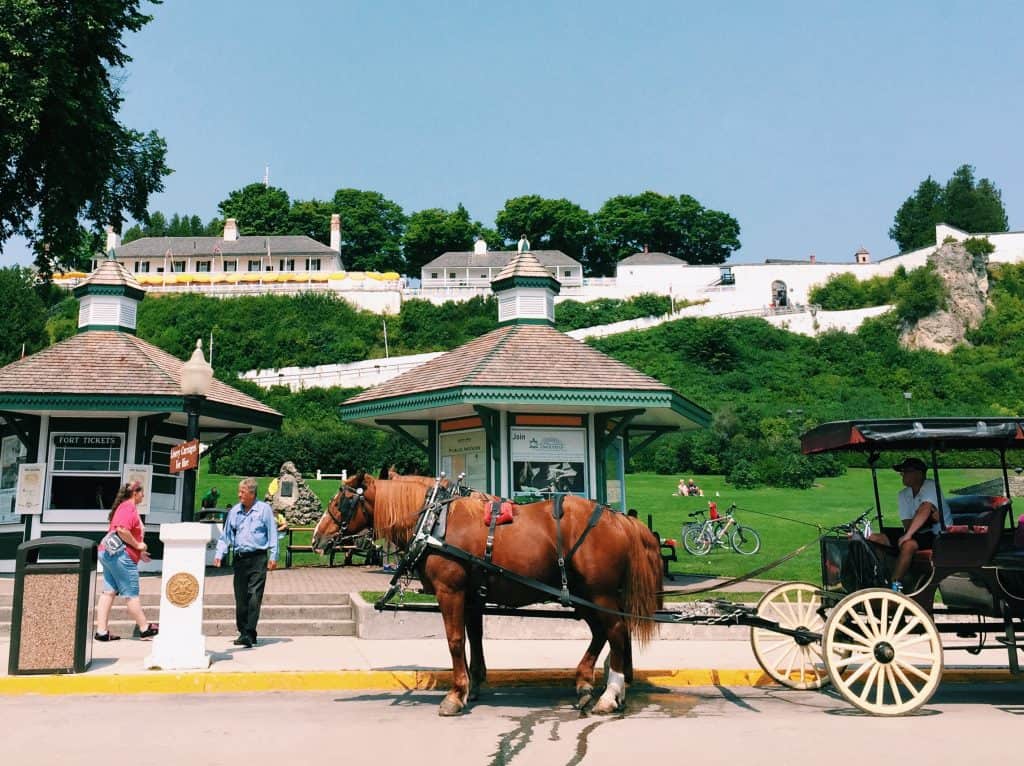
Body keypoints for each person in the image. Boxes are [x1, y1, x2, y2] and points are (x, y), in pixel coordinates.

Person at [866, 457, 952, 593]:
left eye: (906, 471)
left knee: (909, 545)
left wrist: (910, 532)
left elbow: (925, 509)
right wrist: (917, 523)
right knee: (876, 538)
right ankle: (881, 577)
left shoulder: (930, 486)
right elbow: (907, 523)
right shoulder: (903, 495)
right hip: (917, 533)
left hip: (939, 535)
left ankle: (894, 586)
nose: (902, 475)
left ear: (919, 474)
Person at [213, 478, 278, 647]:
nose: (239, 495)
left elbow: (272, 534)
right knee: (241, 598)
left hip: (258, 558)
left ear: (251, 493)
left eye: (242, 492)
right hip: (240, 559)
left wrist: (273, 556)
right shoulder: (235, 511)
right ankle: (244, 632)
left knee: (254, 596)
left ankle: (249, 632)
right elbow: (226, 535)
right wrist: (220, 553)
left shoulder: (264, 510)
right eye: (239, 491)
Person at [94, 481, 159, 641]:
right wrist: (138, 545)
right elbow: (122, 529)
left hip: (109, 553)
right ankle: (145, 629)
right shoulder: (128, 507)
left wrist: (140, 552)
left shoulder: (123, 507)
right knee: (131, 593)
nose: (144, 495)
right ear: (135, 493)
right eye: (142, 492)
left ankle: (102, 632)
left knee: (108, 592)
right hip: (121, 557)